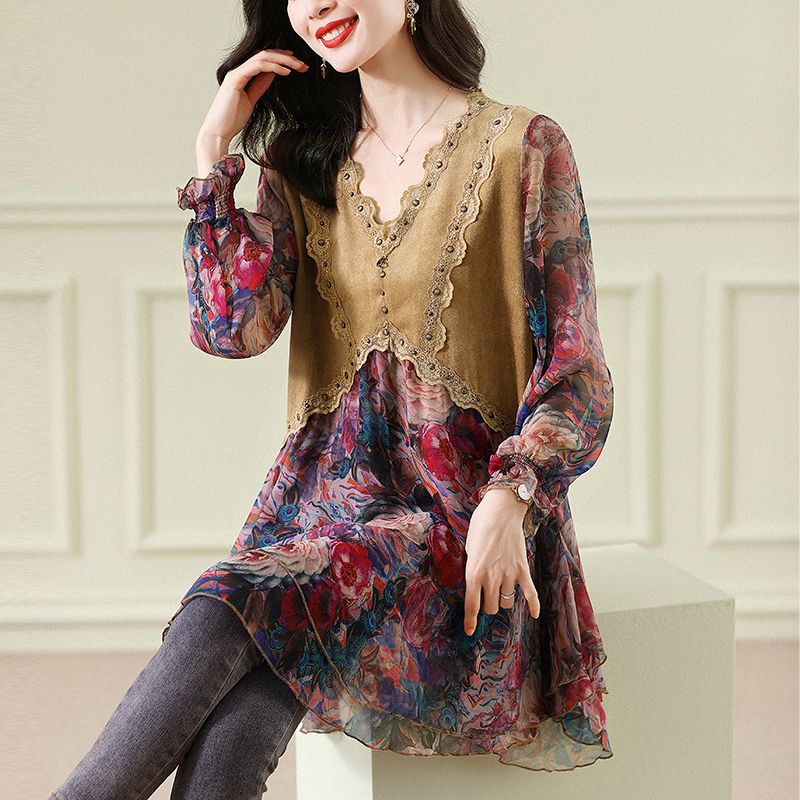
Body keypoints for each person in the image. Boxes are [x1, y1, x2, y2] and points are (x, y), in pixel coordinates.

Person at [50, 1, 615, 797]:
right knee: (240, 717)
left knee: (225, 606)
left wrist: (512, 495)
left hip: (454, 526)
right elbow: (231, 329)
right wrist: (213, 159)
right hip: (315, 514)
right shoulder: (301, 160)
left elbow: (577, 372)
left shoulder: (523, 147)